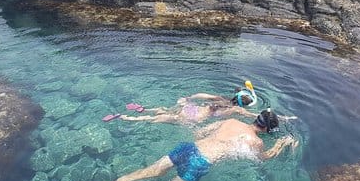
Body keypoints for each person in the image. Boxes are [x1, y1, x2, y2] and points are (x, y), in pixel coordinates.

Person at [88, 109, 297, 181]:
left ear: (256, 119)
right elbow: (263, 159)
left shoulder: (231, 121)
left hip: (188, 147)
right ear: (267, 130)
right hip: (201, 162)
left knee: (145, 172)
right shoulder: (255, 141)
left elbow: (200, 131)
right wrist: (281, 145)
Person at [103, 80, 260, 124]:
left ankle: (143, 109)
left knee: (166, 110)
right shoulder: (235, 110)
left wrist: (188, 98)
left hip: (191, 108)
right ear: (242, 104)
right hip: (194, 118)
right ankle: (124, 117)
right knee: (156, 120)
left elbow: (202, 95)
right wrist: (283, 118)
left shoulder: (220, 99)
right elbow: (253, 115)